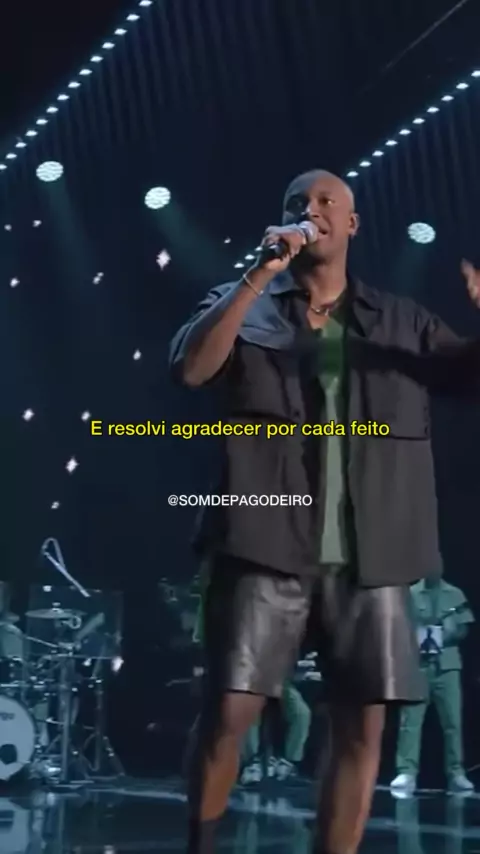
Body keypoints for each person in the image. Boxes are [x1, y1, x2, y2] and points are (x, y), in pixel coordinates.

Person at [169, 168, 480, 854]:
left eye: (325, 200)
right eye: (298, 203)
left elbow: (467, 376)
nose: (311, 210)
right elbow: (192, 369)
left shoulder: (400, 320)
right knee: (230, 711)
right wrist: (257, 276)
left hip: (372, 551)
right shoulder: (244, 300)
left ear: (352, 223)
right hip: (263, 538)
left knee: (362, 726)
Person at [391, 576, 474, 794]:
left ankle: (456, 772)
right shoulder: (409, 594)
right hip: (417, 666)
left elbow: (465, 627)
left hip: (447, 666)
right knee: (410, 721)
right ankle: (406, 771)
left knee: (452, 722)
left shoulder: (455, 594)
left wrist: (451, 632)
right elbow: (397, 625)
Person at [240, 678, 312, 784]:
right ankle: (251, 762)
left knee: (302, 713)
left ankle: (288, 762)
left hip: (280, 681)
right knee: (250, 710)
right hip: (250, 682)